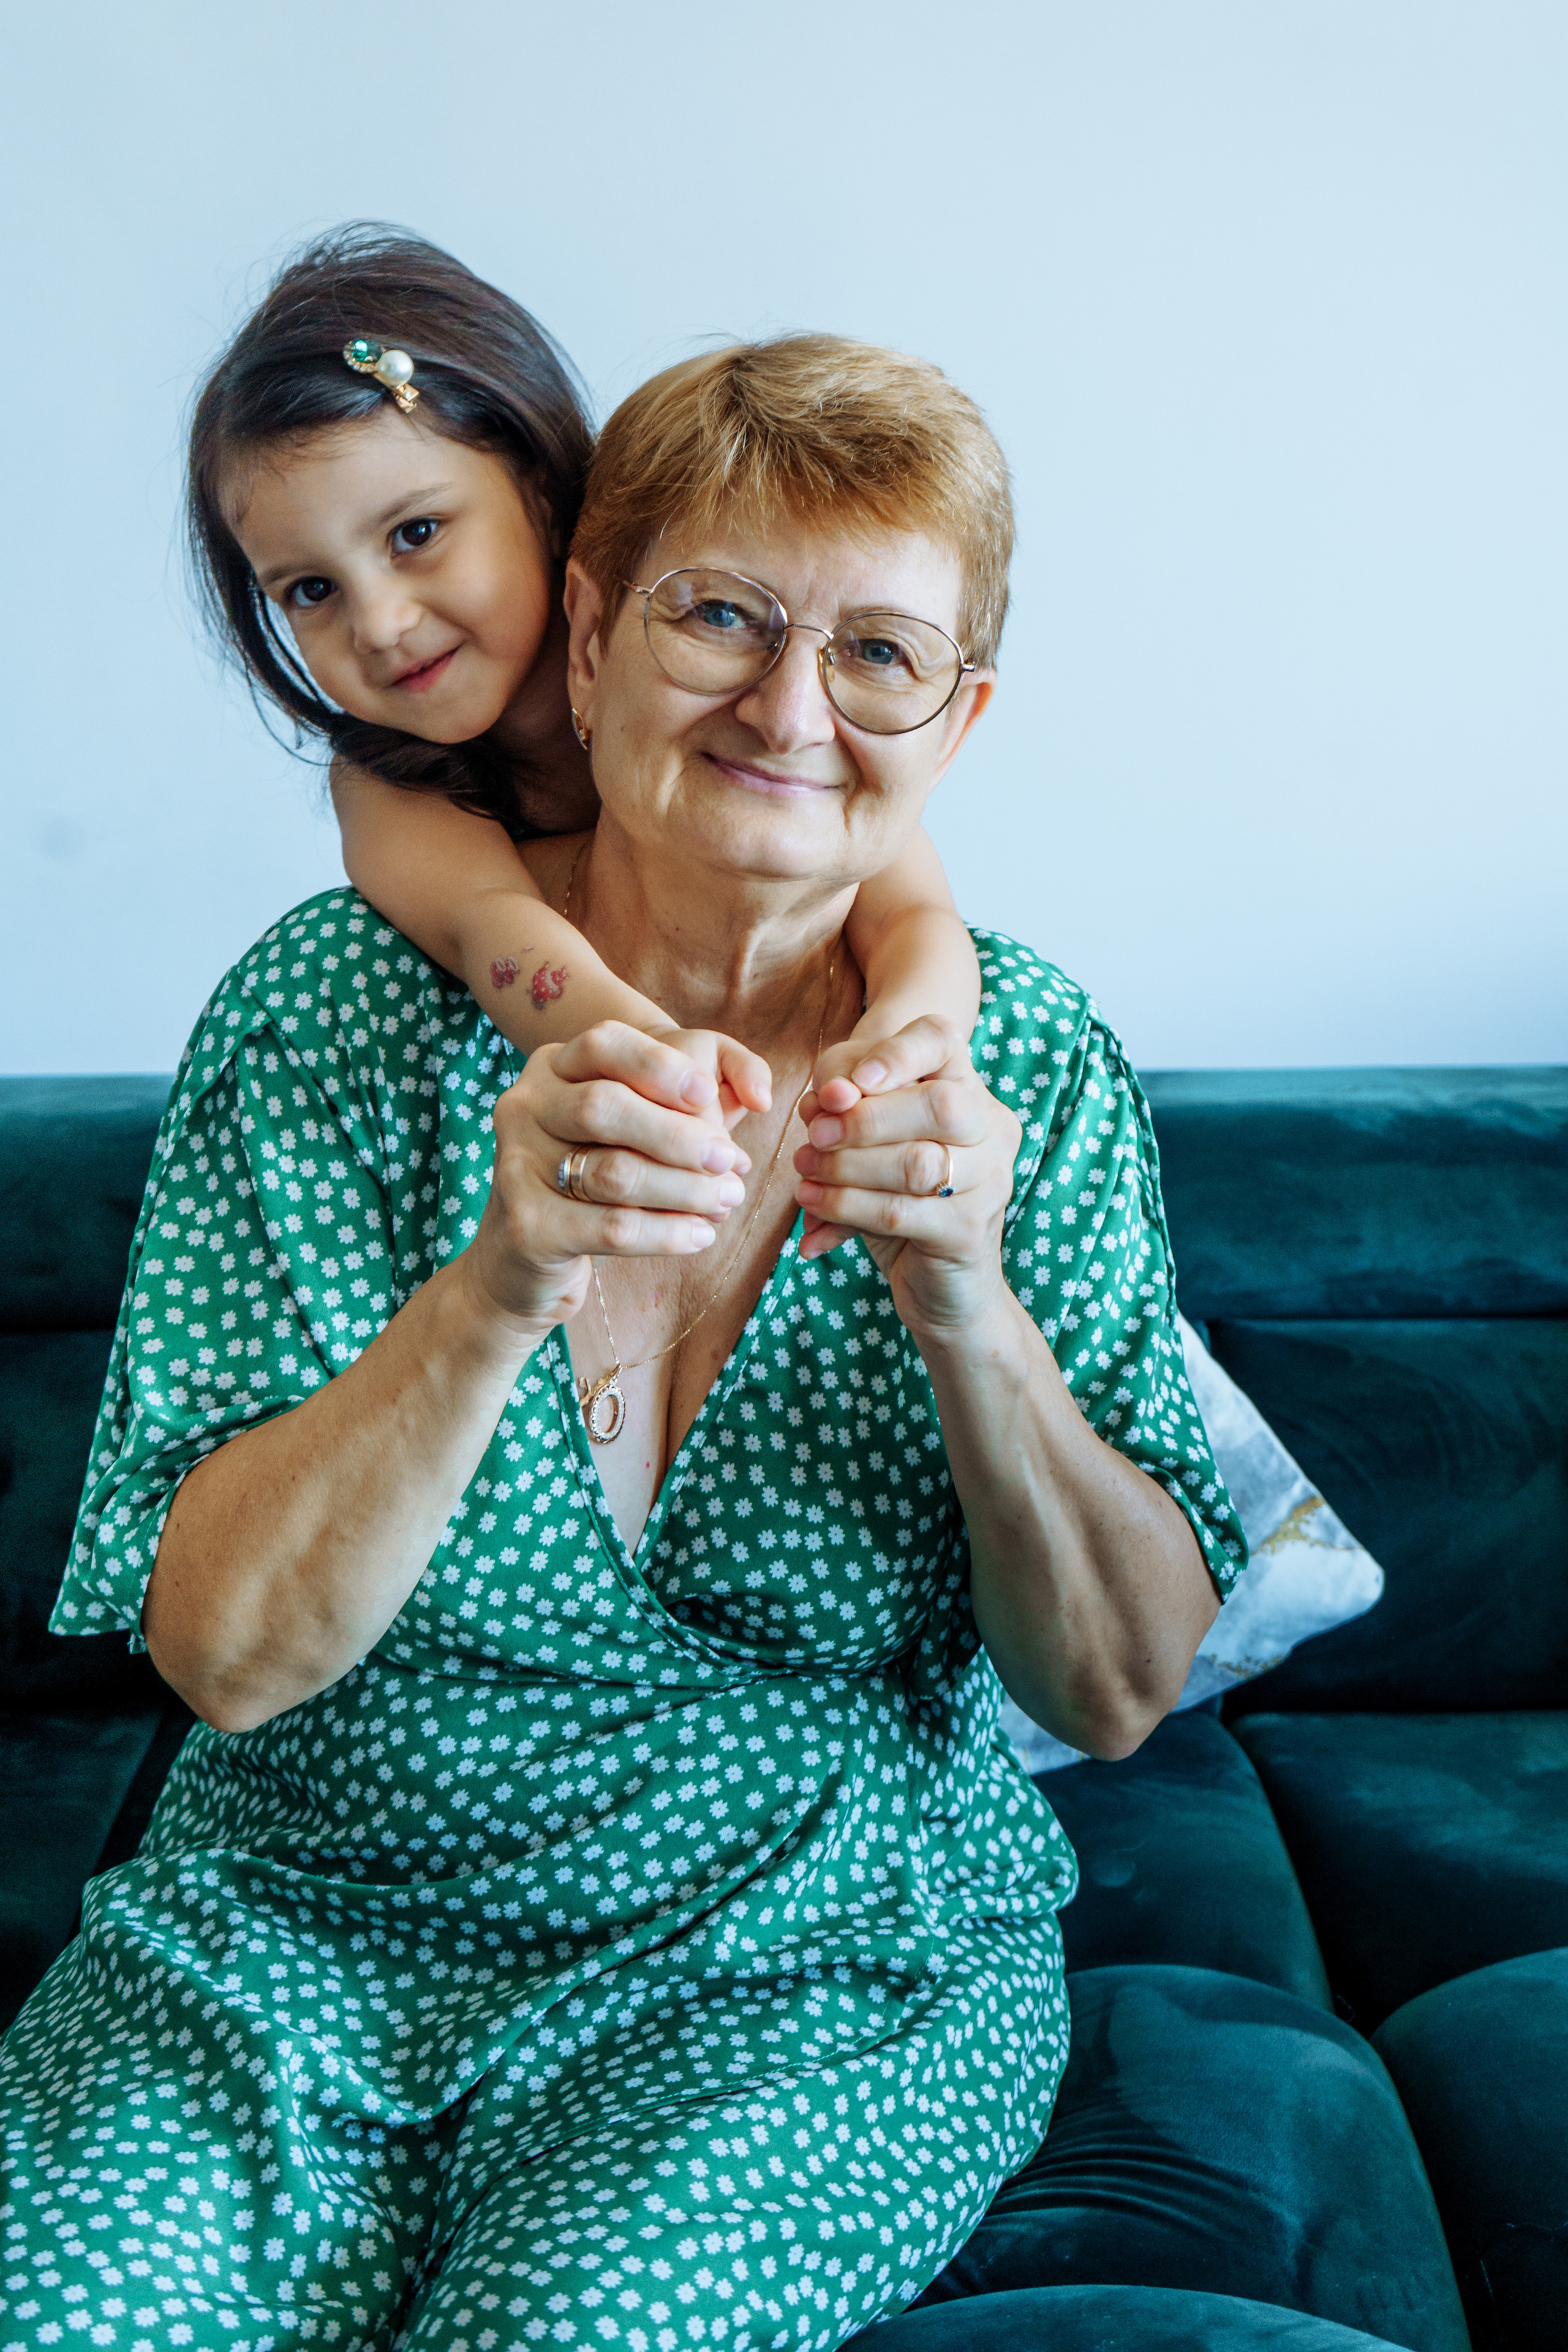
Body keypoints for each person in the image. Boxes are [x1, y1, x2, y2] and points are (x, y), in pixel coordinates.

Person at [0, 331, 1244, 2352]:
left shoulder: (1022, 1064)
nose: (784, 707)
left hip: (808, 1966)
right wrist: (498, 1284)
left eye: (879, 657)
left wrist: (968, 1308)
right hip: (292, 1943)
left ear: (964, 716)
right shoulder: (332, 1015)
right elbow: (223, 1656)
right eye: (720, 618)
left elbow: (1113, 1695)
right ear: (586, 639)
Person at [187, 225, 984, 1239]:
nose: (380, 623)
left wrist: (910, 1051)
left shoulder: (713, 680)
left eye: (416, 534)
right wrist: (656, 1057)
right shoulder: (392, 784)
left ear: (537, 480)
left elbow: (916, 917)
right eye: (310, 590)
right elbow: (499, 939)